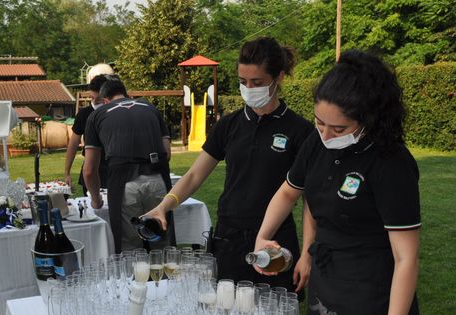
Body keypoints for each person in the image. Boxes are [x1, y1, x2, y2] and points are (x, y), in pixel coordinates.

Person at [254, 50, 421, 315]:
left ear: (370, 118)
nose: (326, 135)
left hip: (367, 292)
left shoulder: (391, 163)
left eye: (338, 127)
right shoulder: (318, 144)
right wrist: (269, 237)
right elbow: (293, 193)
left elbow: (407, 258)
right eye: (319, 123)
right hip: (327, 278)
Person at [144, 37, 315, 295]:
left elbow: (310, 200)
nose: (248, 88)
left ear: (279, 77)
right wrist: (163, 207)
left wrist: (308, 253)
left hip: (274, 239)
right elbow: (194, 175)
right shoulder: (229, 125)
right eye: (243, 82)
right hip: (229, 237)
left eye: (257, 83)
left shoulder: (299, 130)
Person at [83, 76, 175, 252]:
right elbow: (167, 152)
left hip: (125, 186)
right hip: (158, 182)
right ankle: (163, 279)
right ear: (127, 95)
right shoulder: (150, 108)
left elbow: (88, 170)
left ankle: (135, 279)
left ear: (105, 100)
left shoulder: (97, 115)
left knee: (130, 248)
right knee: (162, 245)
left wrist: (96, 200)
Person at [64, 74, 108, 195]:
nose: (94, 102)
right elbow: (73, 143)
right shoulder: (84, 114)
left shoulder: (113, 111)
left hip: (112, 169)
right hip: (91, 167)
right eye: (91, 98)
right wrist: (67, 172)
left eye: (98, 99)